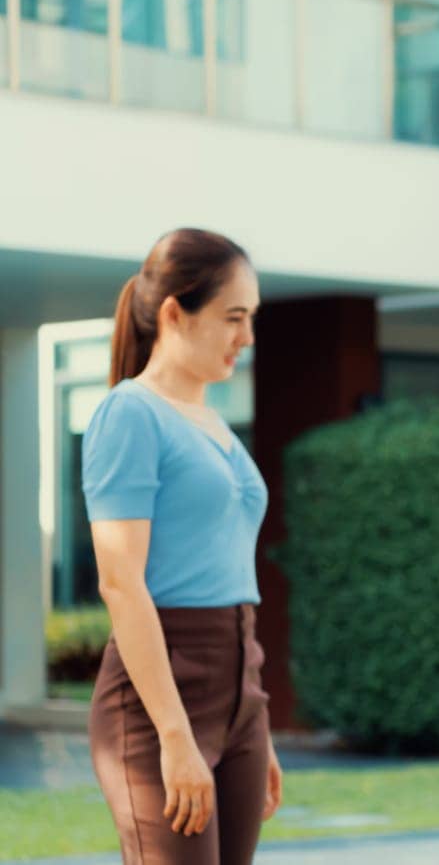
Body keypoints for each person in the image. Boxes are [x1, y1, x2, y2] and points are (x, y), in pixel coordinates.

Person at [84, 228, 281, 865]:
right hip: (159, 699)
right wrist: (174, 734)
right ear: (175, 313)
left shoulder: (214, 422)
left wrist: (255, 719)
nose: (246, 338)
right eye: (233, 317)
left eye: (251, 318)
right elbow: (120, 582)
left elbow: (228, 569)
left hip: (238, 685)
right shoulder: (131, 414)